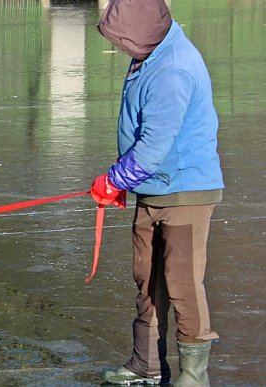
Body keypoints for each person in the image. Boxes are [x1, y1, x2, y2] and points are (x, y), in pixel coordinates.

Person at [90, 1, 224, 386]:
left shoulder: (173, 69)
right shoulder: (151, 53)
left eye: (123, 40)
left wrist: (115, 181)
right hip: (153, 189)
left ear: (141, 30)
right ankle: (146, 365)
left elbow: (153, 147)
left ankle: (194, 377)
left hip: (186, 193)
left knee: (181, 283)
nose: (121, 49)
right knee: (147, 280)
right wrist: (125, 181)